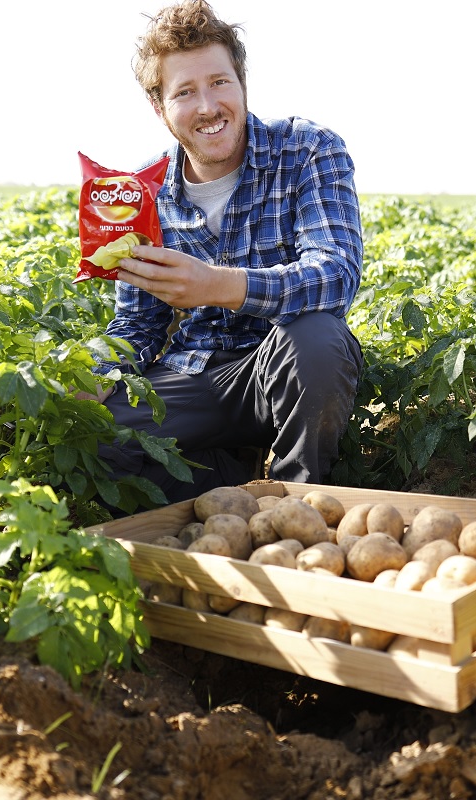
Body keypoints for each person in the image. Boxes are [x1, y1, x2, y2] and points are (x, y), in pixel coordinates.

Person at [87, 0, 364, 505]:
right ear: (160, 108)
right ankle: (228, 497)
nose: (208, 106)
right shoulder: (144, 190)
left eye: (219, 82)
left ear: (241, 84)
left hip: (282, 362)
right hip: (195, 374)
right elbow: (137, 326)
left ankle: (296, 507)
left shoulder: (306, 149)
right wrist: (94, 371)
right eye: (185, 92)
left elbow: (335, 274)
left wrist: (215, 286)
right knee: (94, 434)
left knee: (318, 339)